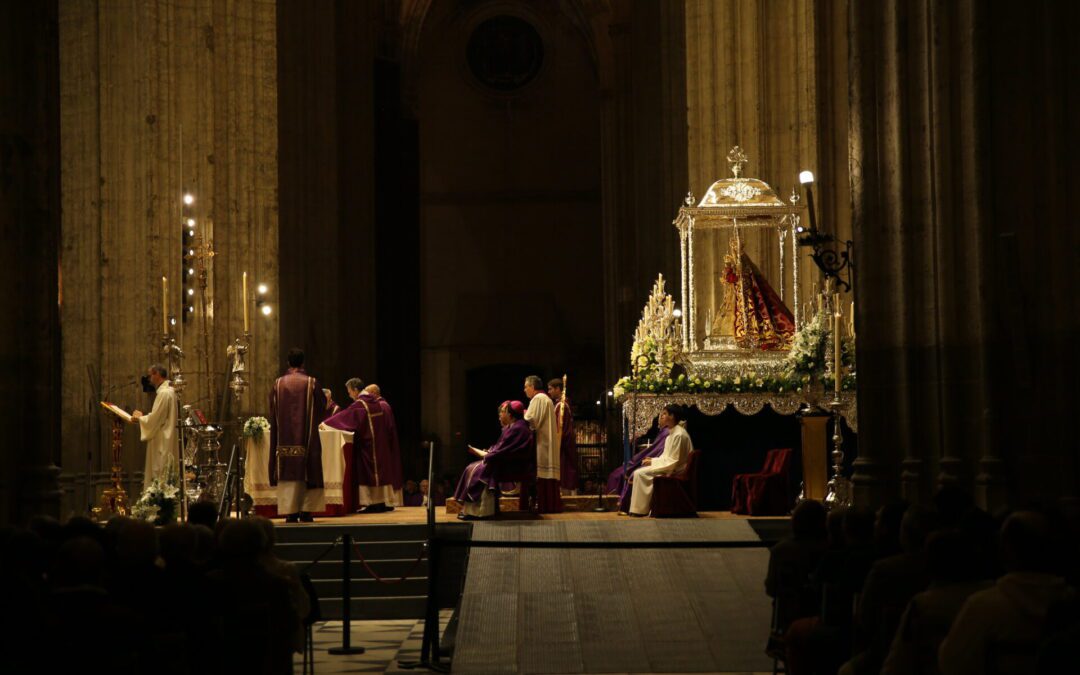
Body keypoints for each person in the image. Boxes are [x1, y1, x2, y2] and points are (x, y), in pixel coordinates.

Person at [323, 377, 404, 513]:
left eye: (349, 392)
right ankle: (381, 502)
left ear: (355, 390)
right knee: (379, 473)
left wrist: (326, 424)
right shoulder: (376, 402)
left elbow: (346, 417)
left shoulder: (361, 404)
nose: (349, 395)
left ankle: (373, 504)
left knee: (369, 473)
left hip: (368, 446)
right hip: (379, 445)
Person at [269, 348, 329, 523]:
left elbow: (272, 410)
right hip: (307, 438)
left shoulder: (278, 384)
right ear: (303, 363)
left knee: (288, 472)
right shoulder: (311, 382)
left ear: (288, 363)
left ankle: (290, 512)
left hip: (284, 439)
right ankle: (307, 511)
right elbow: (321, 406)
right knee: (308, 470)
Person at [453, 401, 535, 519]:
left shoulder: (518, 428)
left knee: (479, 470)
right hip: (508, 462)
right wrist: (490, 452)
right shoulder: (515, 426)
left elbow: (504, 450)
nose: (501, 414)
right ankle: (474, 510)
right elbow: (502, 447)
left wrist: (487, 455)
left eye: (504, 412)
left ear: (511, 415)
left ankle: (482, 512)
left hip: (514, 465)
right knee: (473, 467)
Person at [624, 403, 692, 516]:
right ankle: (638, 509)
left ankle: (640, 510)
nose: (661, 416)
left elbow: (674, 461)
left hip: (676, 470)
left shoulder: (678, 435)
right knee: (640, 471)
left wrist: (653, 462)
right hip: (670, 466)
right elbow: (667, 456)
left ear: (672, 416)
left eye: (665, 414)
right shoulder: (672, 433)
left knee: (640, 473)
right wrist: (652, 460)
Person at [131, 363, 178, 491]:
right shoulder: (169, 391)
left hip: (161, 440)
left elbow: (156, 418)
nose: (149, 378)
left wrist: (140, 417)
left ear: (157, 374)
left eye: (150, 374)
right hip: (165, 437)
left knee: (159, 472)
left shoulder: (164, 393)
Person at [524, 375, 561, 513]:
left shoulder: (538, 399)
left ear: (532, 387)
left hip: (542, 444)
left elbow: (532, 421)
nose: (524, 390)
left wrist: (521, 415)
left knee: (540, 475)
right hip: (546, 442)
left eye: (526, 386)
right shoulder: (546, 399)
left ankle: (539, 505)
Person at [607, 426, 670, 495]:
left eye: (664, 414)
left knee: (634, 473)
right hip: (654, 461)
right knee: (617, 474)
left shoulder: (667, 433)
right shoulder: (664, 432)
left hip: (660, 464)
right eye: (661, 415)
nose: (660, 418)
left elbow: (656, 451)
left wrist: (650, 460)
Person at [547, 378, 579, 494]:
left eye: (551, 389)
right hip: (565, 442)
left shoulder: (561, 406)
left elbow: (560, 428)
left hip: (563, 443)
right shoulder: (560, 404)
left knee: (565, 469)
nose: (549, 392)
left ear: (558, 389)